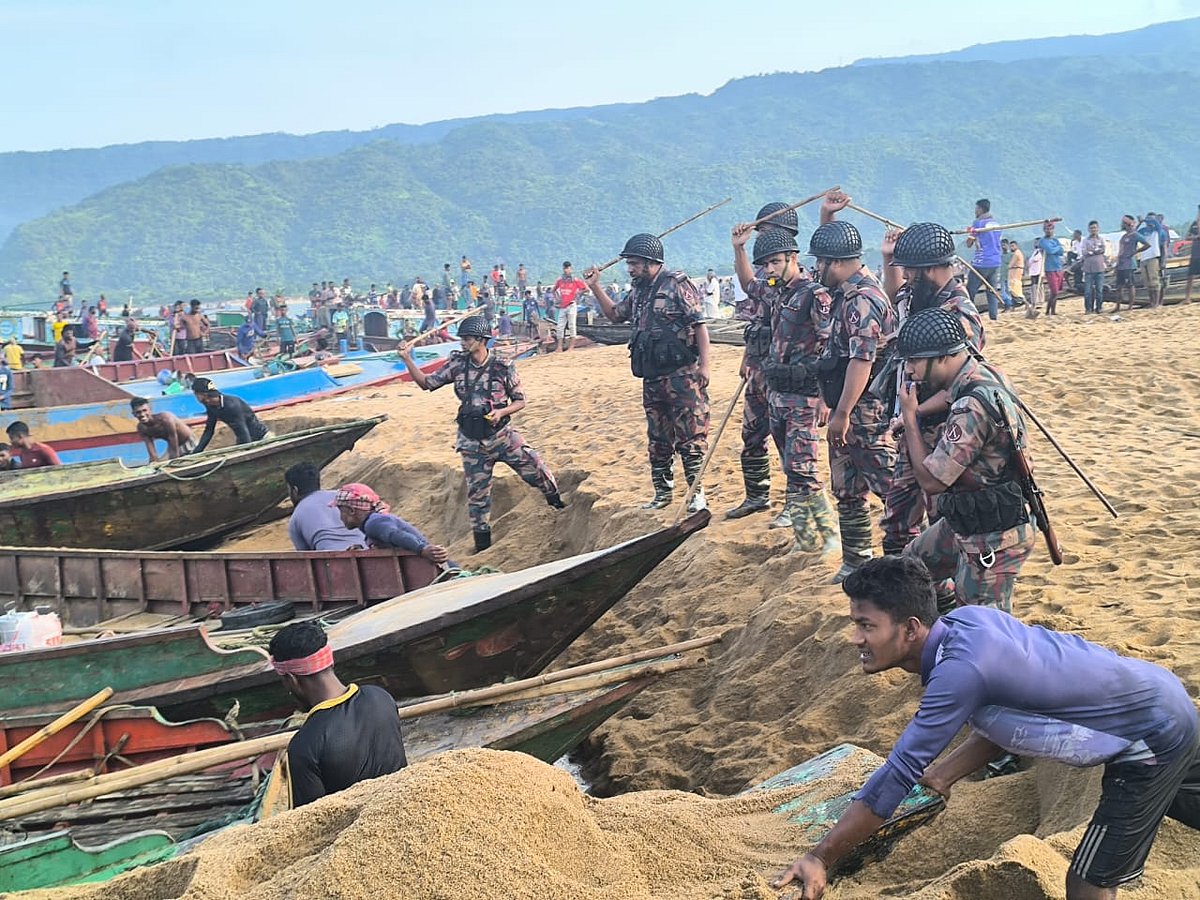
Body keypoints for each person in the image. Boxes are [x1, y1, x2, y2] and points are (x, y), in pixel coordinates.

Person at [773, 555, 1200, 900]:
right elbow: (1010, 717)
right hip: (1158, 693)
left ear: (910, 629)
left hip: (1150, 736)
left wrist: (821, 857)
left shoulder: (960, 671)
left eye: (866, 625)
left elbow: (897, 774)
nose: (856, 638)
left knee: (1087, 881)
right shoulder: (968, 622)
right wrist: (945, 774)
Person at [895, 307, 1036, 611]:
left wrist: (909, 418)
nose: (909, 371)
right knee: (912, 567)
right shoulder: (980, 372)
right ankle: (944, 621)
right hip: (967, 519)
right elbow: (949, 395)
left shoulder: (971, 407)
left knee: (985, 627)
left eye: (915, 361)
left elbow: (931, 481)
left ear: (944, 358)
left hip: (993, 534)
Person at [398, 316, 563, 551]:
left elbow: (520, 401)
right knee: (478, 497)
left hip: (502, 435)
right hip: (471, 441)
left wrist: (501, 412)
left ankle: (558, 506)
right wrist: (407, 359)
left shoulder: (502, 366)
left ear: (482, 340)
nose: (463, 343)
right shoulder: (457, 364)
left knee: (536, 468)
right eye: (462, 338)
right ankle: (482, 547)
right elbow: (427, 383)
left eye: (467, 339)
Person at [878, 222, 987, 559]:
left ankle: (942, 601)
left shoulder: (958, 315)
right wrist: (887, 258)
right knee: (896, 521)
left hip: (944, 431)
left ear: (931, 269)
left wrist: (914, 412)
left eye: (910, 269)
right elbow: (894, 297)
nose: (906, 275)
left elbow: (966, 382)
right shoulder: (918, 296)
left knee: (942, 521)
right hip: (913, 427)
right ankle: (901, 594)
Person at [731, 224, 840, 553]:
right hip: (778, 392)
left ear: (793, 258)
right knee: (791, 467)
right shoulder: (776, 291)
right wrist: (739, 248)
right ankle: (804, 539)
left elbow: (829, 347)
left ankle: (831, 534)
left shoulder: (814, 294)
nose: (770, 269)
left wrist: (825, 398)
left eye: (776, 262)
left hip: (805, 394)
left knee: (804, 467)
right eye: (766, 264)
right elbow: (750, 285)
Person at [584, 233, 711, 512]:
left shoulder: (677, 284)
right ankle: (662, 494)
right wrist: (595, 287)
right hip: (653, 378)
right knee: (658, 439)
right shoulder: (638, 291)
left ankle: (696, 494)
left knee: (691, 437)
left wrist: (705, 366)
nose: (629, 268)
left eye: (634, 263)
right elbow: (616, 315)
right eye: (629, 263)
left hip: (682, 376)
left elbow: (700, 325)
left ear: (650, 262)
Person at [810, 218, 902, 582]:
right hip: (847, 409)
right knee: (847, 488)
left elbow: (862, 360)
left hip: (866, 411)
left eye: (820, 262)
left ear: (835, 262)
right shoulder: (846, 295)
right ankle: (856, 561)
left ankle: (905, 563)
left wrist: (843, 413)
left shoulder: (863, 299)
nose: (815, 269)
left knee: (891, 488)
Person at [268, 620, 408, 808]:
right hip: (406, 807)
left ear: (292, 679)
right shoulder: (381, 698)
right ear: (329, 661)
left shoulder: (304, 746)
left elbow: (307, 823)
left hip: (362, 834)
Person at [725, 201, 800, 523]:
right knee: (752, 434)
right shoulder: (770, 281)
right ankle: (757, 496)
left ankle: (795, 504)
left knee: (789, 442)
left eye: (768, 232)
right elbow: (752, 294)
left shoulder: (801, 283)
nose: (763, 238)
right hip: (758, 368)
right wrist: (739, 250)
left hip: (786, 375)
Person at [329, 483, 450, 563]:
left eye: (341, 511)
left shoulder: (374, 523)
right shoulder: (373, 523)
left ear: (351, 510)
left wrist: (422, 549)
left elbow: (395, 535)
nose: (340, 517)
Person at [284, 462, 368, 551]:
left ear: (295, 490)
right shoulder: (341, 496)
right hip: (368, 552)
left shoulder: (296, 516)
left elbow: (304, 555)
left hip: (331, 561)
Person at [190, 377, 272, 452]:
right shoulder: (211, 406)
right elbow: (209, 430)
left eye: (196, 395)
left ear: (203, 395)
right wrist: (197, 451)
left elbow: (243, 431)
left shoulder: (231, 406)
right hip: (245, 440)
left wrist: (246, 452)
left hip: (262, 439)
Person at [964, 199, 1003, 321]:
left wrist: (970, 234)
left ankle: (969, 316)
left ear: (980, 209)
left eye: (976, 208)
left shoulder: (978, 223)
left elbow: (969, 243)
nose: (975, 211)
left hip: (982, 262)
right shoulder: (997, 224)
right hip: (996, 261)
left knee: (970, 291)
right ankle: (993, 317)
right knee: (991, 290)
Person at [131, 397, 195, 461]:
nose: (142, 414)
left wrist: (174, 461)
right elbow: (152, 453)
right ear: (134, 414)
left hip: (189, 442)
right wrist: (153, 463)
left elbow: (173, 440)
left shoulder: (165, 419)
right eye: (138, 412)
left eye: (144, 410)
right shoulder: (142, 428)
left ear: (150, 410)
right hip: (174, 446)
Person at [1114, 215, 1150, 313]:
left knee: (1130, 285)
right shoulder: (1124, 236)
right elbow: (1120, 251)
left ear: (1127, 224)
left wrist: (1136, 251)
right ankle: (1117, 306)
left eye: (1123, 223)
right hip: (1121, 264)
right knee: (1119, 286)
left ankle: (1130, 306)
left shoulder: (1135, 235)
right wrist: (1117, 263)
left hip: (1129, 264)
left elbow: (1147, 244)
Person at [552, 262, 586, 353]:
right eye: (565, 268)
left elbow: (585, 288)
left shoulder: (575, 280)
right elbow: (553, 290)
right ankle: (559, 347)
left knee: (572, 326)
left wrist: (578, 293)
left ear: (571, 269)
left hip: (571, 305)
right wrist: (557, 299)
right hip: (563, 306)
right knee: (560, 327)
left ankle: (571, 347)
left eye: (568, 268)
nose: (566, 270)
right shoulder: (560, 280)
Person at [1035, 221, 1065, 316]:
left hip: (1058, 267)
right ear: (1044, 230)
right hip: (1049, 268)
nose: (1049, 231)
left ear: (1053, 230)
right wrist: (1056, 248)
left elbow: (1061, 251)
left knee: (1056, 292)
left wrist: (1056, 249)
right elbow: (1050, 250)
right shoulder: (1043, 241)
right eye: (1047, 229)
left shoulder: (1055, 240)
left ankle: (1050, 311)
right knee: (1054, 291)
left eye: (1050, 229)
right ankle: (1050, 311)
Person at [1081, 220, 1109, 314]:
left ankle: (1099, 308)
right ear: (1089, 229)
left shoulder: (1101, 239)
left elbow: (1103, 249)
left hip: (1099, 268)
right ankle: (1088, 309)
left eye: (1095, 228)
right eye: (1092, 228)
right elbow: (1084, 252)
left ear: (1098, 228)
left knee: (1099, 290)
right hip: (1088, 268)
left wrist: (1092, 251)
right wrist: (1094, 251)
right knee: (1088, 291)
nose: (1093, 230)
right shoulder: (1085, 240)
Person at [1137, 214, 1164, 308]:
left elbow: (1156, 223)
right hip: (1144, 257)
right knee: (1147, 282)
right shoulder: (1143, 230)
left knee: (1154, 281)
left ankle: (1156, 303)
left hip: (1153, 257)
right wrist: (1139, 223)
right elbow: (1134, 233)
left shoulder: (1157, 230)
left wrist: (1144, 220)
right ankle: (1151, 302)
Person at [1025, 239, 1045, 318]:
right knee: (1033, 286)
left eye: (1037, 242)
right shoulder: (1035, 252)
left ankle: (1039, 301)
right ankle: (1034, 301)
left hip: (1038, 272)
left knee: (1038, 287)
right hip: (1033, 272)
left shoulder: (1041, 252)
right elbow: (1030, 261)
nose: (1035, 244)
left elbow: (1035, 259)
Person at [1186, 204, 1200, 304]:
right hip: (1195, 254)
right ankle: (1187, 298)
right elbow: (1187, 236)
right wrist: (1196, 237)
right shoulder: (1194, 224)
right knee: (1190, 276)